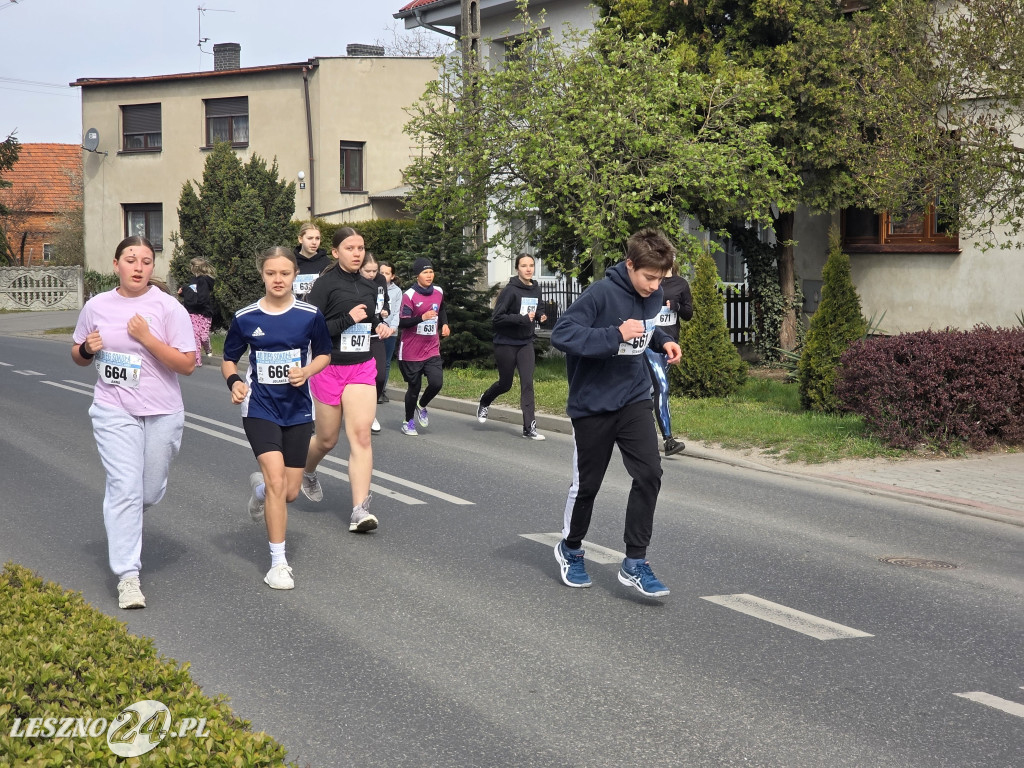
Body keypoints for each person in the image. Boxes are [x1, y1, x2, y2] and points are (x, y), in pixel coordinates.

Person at [550, 228, 682, 598]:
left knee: (650, 473)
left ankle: (635, 562)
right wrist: (614, 335)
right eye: (649, 277)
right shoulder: (600, 294)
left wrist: (664, 340)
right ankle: (571, 548)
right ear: (629, 265)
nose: (655, 286)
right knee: (588, 485)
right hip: (592, 404)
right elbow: (562, 334)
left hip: (633, 398)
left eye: (661, 279)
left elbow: (646, 328)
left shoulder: (652, 295)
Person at [71, 235, 197, 609]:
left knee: (148, 491)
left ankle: (121, 513)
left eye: (145, 260)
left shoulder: (168, 308)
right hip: (114, 408)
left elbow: (188, 364)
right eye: (130, 259)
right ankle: (128, 576)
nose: (138, 266)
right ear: (116, 265)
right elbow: (77, 354)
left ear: (151, 268)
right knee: (125, 488)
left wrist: (146, 339)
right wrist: (86, 349)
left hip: (162, 410)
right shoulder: (96, 306)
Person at [221, 246, 332, 590]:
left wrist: (308, 371)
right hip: (260, 408)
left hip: (297, 409)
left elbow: (325, 354)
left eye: (284, 273)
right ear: (262, 275)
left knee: (291, 492)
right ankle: (278, 563)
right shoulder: (246, 317)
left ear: (295, 275)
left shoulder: (309, 314)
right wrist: (235, 381)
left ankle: (258, 491)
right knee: (276, 481)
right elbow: (229, 359)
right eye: (271, 273)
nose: (278, 279)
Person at [301, 227, 390, 532]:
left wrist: (380, 326)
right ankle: (308, 470)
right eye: (350, 248)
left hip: (361, 366)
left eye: (361, 248)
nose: (357, 253)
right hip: (328, 366)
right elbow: (312, 330)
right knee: (327, 439)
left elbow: (372, 317)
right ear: (336, 252)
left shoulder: (372, 284)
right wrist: (347, 320)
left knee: (361, 436)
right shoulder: (324, 285)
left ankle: (359, 510)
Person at [476, 253, 548, 440]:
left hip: (525, 342)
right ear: (517, 268)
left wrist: (540, 315)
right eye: (524, 265)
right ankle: (485, 400)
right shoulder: (510, 290)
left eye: (531, 265)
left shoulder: (536, 288)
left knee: (527, 383)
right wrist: (522, 319)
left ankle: (529, 427)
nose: (528, 269)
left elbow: (537, 308)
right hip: (506, 343)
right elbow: (497, 318)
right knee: (505, 384)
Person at [397, 257, 450, 435]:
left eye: (431, 271)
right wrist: (422, 318)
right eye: (425, 272)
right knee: (414, 387)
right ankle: (408, 421)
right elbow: (402, 323)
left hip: (431, 347)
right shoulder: (409, 296)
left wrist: (445, 323)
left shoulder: (438, 291)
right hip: (411, 350)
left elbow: (441, 308)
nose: (429, 275)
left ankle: (422, 405)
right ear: (417, 275)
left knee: (437, 382)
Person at [645, 263, 692, 456]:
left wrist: (677, 306)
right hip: (649, 343)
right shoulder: (652, 281)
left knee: (649, 391)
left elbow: (688, 314)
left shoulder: (681, 284)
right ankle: (668, 439)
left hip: (670, 343)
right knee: (662, 387)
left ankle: (631, 425)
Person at [358, 251, 394, 434]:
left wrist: (385, 310)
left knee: (379, 375)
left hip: (375, 331)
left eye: (374, 271)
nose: (371, 274)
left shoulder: (380, 280)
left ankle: (370, 412)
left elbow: (384, 300)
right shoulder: (354, 281)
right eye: (367, 271)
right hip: (355, 332)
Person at [177, 257, 216, 367]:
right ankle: (196, 360)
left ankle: (207, 346)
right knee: (195, 336)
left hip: (204, 313)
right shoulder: (193, 280)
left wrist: (186, 291)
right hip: (192, 313)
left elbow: (201, 298)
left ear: (194, 268)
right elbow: (191, 294)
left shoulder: (203, 281)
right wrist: (183, 292)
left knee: (203, 336)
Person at [378, 261, 402, 403]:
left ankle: (381, 390)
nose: (384, 276)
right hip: (375, 331)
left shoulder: (397, 292)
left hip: (390, 332)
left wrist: (392, 328)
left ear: (392, 276)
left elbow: (397, 312)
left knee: (386, 363)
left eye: (387, 273)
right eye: (382, 273)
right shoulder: (373, 287)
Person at [292, 223, 332, 301]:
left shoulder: (326, 263)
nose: (314, 242)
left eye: (317, 238)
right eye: (310, 238)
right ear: (300, 239)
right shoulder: (291, 262)